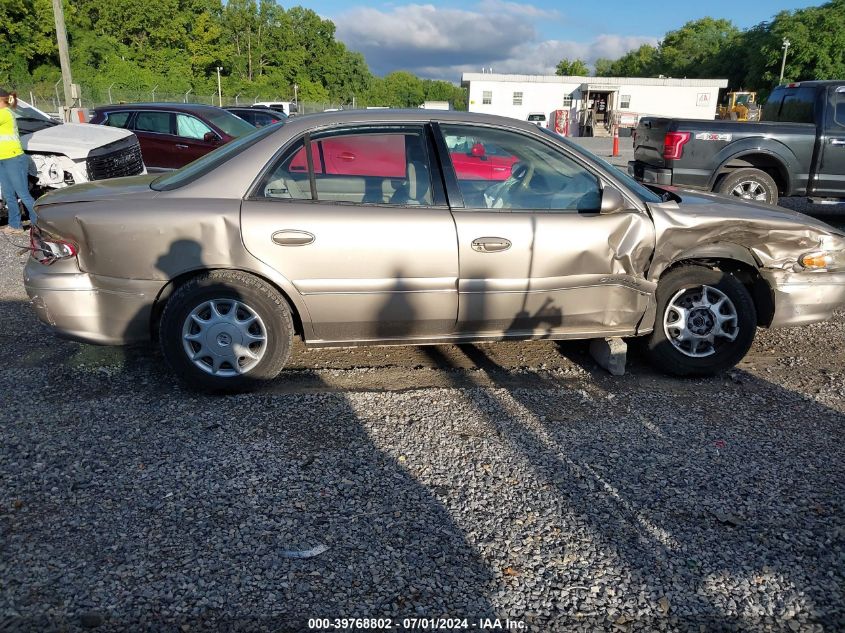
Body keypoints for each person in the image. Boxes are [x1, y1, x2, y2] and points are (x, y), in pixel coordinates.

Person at [0, 88, 37, 234]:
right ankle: (15, 225)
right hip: (2, 158)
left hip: (14, 159)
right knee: (8, 194)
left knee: (23, 194)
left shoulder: (5, 113)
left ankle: (38, 225)